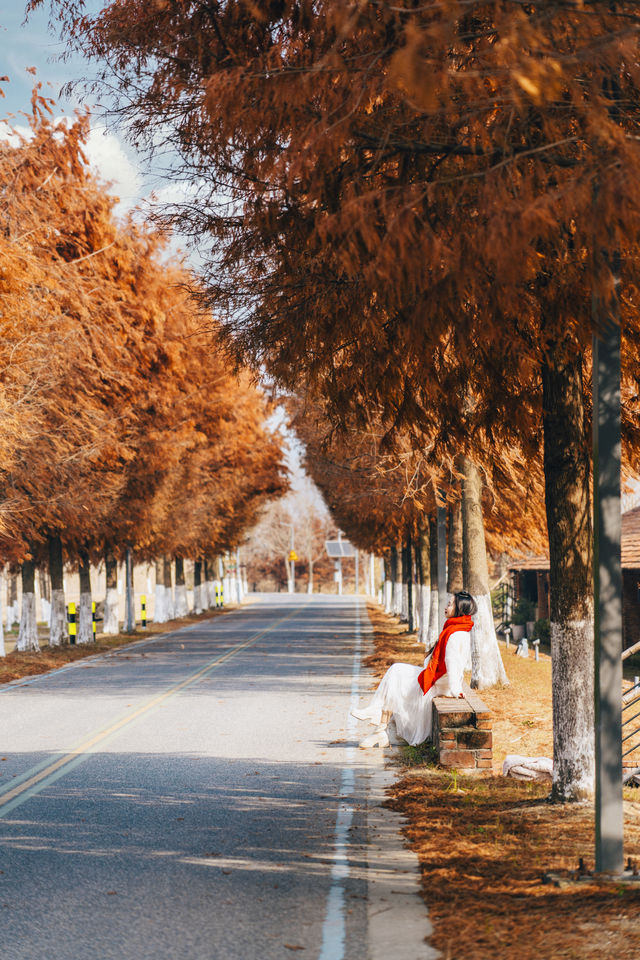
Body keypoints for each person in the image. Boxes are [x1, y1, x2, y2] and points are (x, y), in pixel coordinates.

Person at [352, 590, 477, 747]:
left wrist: (455, 690)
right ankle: (379, 729)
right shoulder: (459, 628)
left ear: (459, 608)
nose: (446, 607)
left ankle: (377, 722)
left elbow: (452, 662)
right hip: (441, 679)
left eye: (450, 604)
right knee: (395, 672)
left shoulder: (454, 633)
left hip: (440, 683)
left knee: (396, 673)